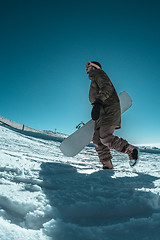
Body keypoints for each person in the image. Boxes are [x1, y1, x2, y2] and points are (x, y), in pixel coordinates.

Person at [86, 61, 139, 169]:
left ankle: (131, 150)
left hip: (109, 110)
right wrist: (96, 106)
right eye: (86, 68)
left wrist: (98, 102)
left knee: (105, 137)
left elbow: (107, 88)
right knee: (97, 140)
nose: (87, 69)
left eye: (89, 66)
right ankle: (107, 165)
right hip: (102, 113)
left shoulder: (99, 73)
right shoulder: (94, 79)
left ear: (94, 67)